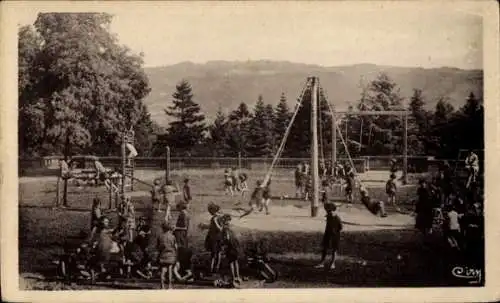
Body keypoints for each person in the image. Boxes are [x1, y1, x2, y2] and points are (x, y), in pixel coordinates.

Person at [314, 203, 342, 270]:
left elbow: (340, 227)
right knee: (325, 248)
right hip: (327, 234)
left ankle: (333, 263)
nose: (328, 212)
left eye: (329, 211)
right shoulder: (328, 216)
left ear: (333, 210)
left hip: (335, 235)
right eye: (327, 211)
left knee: (334, 249)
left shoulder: (337, 218)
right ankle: (322, 262)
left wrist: (336, 232)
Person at [220, 214, 242, 286]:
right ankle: (237, 277)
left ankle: (233, 279)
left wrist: (223, 245)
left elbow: (227, 238)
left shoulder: (225, 228)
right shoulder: (231, 227)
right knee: (235, 262)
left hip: (230, 247)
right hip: (235, 246)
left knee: (231, 263)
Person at [157, 222, 177, 289]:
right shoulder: (173, 237)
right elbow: (175, 246)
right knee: (170, 270)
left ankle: (162, 286)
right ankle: (169, 285)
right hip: (171, 256)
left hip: (163, 255)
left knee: (163, 270)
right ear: (169, 228)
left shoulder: (160, 236)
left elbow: (158, 247)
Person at [205, 203, 223, 275]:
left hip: (214, 238)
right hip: (218, 237)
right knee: (218, 253)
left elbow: (219, 228)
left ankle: (211, 269)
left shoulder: (214, 218)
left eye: (210, 211)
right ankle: (216, 268)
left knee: (213, 254)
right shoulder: (220, 217)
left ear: (212, 211)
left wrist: (215, 222)